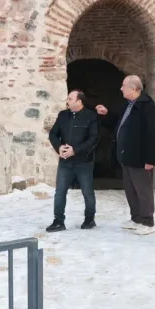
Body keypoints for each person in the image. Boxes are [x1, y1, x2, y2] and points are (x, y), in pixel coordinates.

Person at [95, 75, 155, 235]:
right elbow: (119, 123)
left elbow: (152, 134)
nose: (121, 88)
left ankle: (148, 222)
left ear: (133, 88)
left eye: (124, 86)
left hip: (139, 157)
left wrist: (150, 159)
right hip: (126, 156)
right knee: (131, 190)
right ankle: (136, 218)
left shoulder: (147, 107)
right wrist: (106, 114)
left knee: (143, 191)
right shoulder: (128, 105)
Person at [46, 90, 99, 232]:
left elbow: (93, 139)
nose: (67, 101)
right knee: (60, 192)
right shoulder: (63, 115)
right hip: (65, 162)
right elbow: (53, 134)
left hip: (84, 162)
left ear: (79, 101)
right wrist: (59, 147)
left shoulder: (91, 116)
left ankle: (89, 219)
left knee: (87, 192)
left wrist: (75, 150)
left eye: (70, 98)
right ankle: (58, 221)